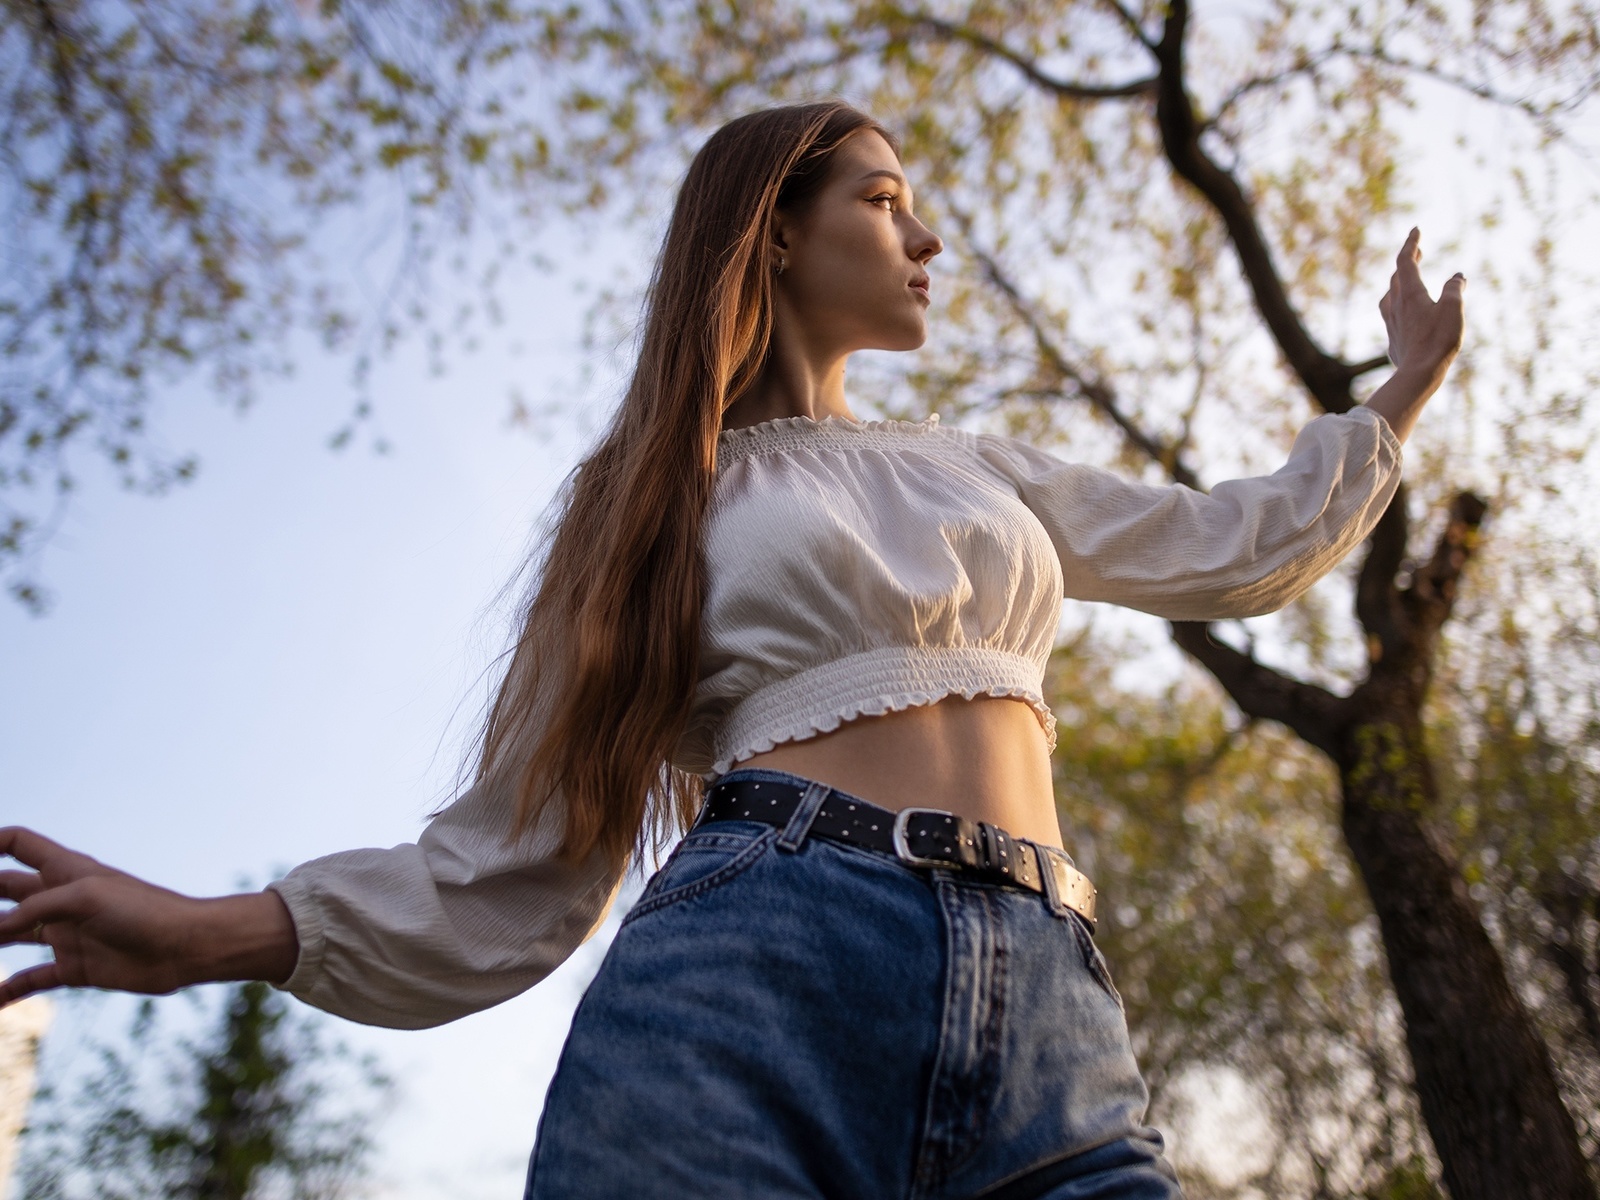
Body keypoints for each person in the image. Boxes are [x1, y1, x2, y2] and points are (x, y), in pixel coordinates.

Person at [0, 101, 1464, 1197]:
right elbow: (518, 862)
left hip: (1054, 1000)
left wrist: (1398, 390)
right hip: (757, 970)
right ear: (773, 221)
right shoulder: (653, 493)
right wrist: (208, 932)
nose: (927, 236)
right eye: (885, 200)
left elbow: (1236, 547)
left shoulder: (973, 465)